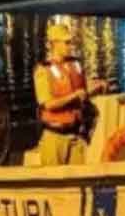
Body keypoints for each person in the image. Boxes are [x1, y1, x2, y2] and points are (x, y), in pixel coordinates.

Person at [33, 23, 107, 165]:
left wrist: (98, 85)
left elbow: (83, 87)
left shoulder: (75, 64)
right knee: (54, 178)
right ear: (54, 44)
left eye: (70, 42)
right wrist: (74, 96)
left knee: (79, 177)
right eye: (66, 42)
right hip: (55, 138)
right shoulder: (43, 70)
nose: (70, 46)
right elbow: (48, 104)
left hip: (76, 136)